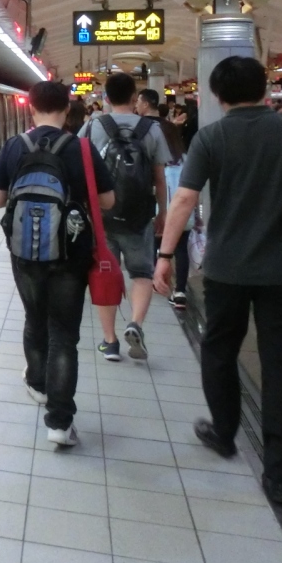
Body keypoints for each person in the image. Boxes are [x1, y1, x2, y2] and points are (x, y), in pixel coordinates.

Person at [156, 56, 282, 506]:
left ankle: (224, 432)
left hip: (226, 269)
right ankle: (279, 475)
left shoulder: (211, 136)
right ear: (265, 89)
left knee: (219, 351)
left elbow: (184, 199)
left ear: (217, 95)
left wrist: (165, 255)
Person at [0, 81, 115, 447]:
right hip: (71, 254)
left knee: (35, 318)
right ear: (67, 109)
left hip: (25, 253)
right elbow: (107, 201)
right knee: (64, 334)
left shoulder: (15, 145)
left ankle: (38, 384)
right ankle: (60, 423)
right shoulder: (82, 148)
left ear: (31, 108)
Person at [80, 73, 171, 361]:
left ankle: (110, 341)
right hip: (139, 215)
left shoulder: (93, 126)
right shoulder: (151, 129)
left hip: (101, 216)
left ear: (106, 98)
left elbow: (80, 170)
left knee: (105, 273)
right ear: (134, 98)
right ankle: (135, 324)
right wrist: (162, 213)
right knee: (142, 274)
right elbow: (159, 178)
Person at [139, 92, 195, 311]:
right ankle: (180, 291)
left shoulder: (154, 160)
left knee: (155, 243)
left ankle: (158, 281)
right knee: (181, 248)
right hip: (183, 208)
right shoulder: (184, 158)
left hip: (159, 205)